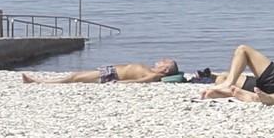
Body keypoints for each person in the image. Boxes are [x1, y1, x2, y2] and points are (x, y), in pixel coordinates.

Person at [22, 59, 179, 84]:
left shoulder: (155, 75)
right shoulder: (152, 70)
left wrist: (121, 83)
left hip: (112, 75)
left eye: (165, 61)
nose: (161, 59)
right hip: (111, 71)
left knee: (74, 77)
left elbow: (143, 81)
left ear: (165, 70)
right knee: (76, 76)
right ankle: (38, 81)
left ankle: (38, 82)